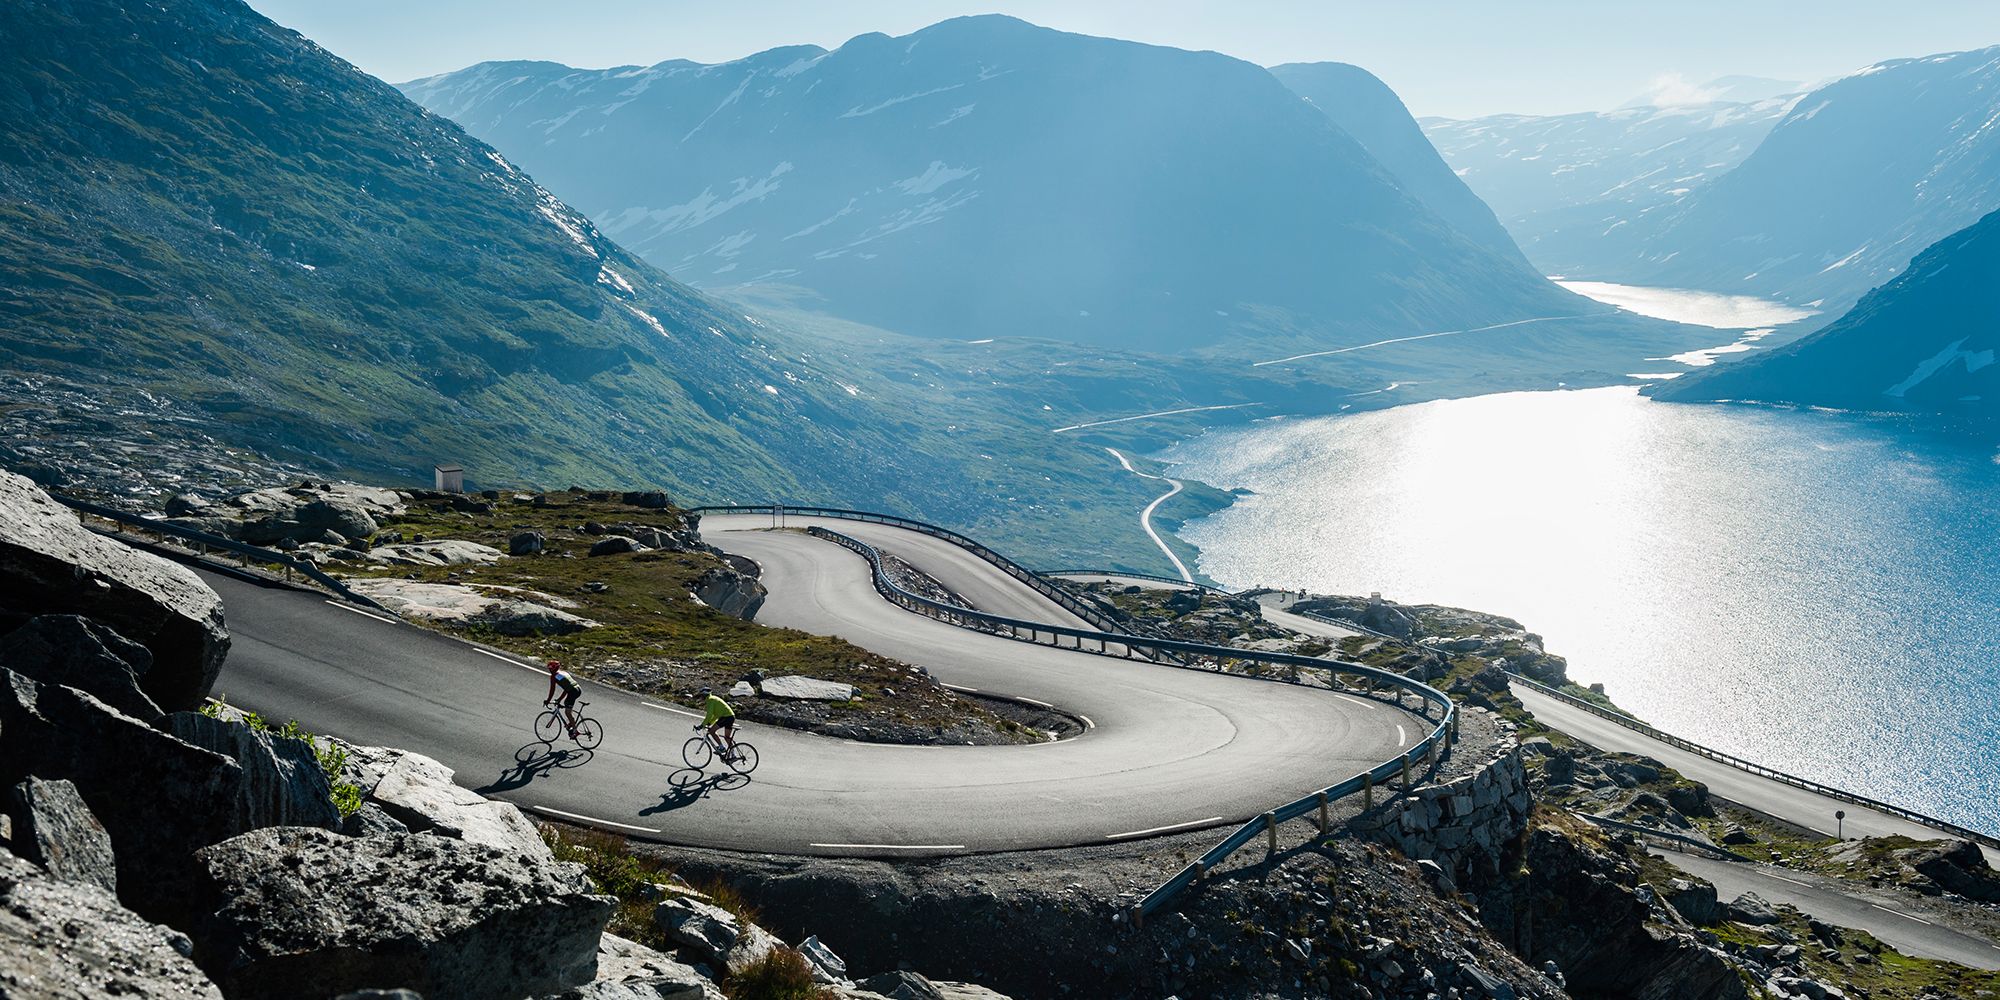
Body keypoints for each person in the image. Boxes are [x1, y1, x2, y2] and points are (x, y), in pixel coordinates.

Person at [698, 686, 738, 760]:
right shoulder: (712, 698)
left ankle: (721, 747)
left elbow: (709, 715)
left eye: (701, 695)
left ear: (704, 695)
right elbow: (716, 714)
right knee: (727, 737)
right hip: (730, 716)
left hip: (726, 717)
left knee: (712, 731)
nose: (700, 697)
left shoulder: (710, 700)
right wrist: (710, 723)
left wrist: (702, 725)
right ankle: (733, 755)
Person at [545, 660, 582, 736]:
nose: (550, 670)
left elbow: (552, 690)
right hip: (577, 689)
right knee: (566, 704)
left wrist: (548, 700)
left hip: (573, 692)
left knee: (567, 712)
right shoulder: (564, 673)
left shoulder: (553, 677)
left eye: (550, 669)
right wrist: (559, 699)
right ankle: (571, 723)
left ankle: (575, 731)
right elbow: (567, 688)